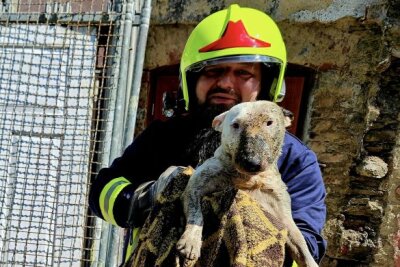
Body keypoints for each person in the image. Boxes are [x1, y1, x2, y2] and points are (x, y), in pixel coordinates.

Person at [89, 4, 327, 266]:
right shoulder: (163, 137)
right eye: (213, 70)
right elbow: (102, 193)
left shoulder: (296, 158)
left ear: (266, 84)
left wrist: (256, 225)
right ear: (192, 81)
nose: (225, 83)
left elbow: (309, 244)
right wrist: (148, 196)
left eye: (243, 73)